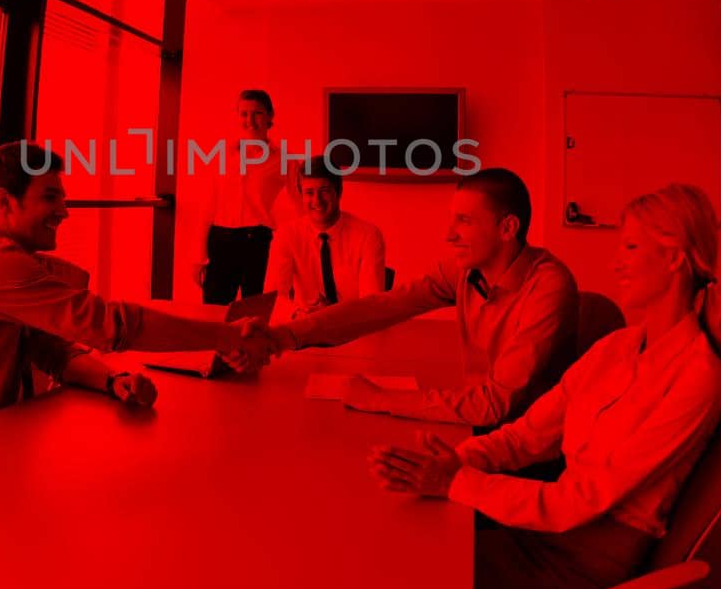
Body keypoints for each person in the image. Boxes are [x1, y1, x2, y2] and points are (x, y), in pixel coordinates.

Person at [369, 183, 721, 589]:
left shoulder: (698, 378)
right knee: (390, 562)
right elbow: (527, 435)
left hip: (576, 576)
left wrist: (456, 482)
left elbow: (578, 503)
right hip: (535, 531)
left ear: (674, 259)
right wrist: (459, 459)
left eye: (630, 246)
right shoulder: (617, 347)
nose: (615, 263)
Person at [0, 141, 274, 443]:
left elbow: (53, 350)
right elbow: (111, 325)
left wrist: (111, 381)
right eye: (50, 197)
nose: (65, 211)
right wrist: (224, 335)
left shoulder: (11, 261)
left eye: (63, 197)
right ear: (4, 201)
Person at [268, 167, 578, 427]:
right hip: (477, 426)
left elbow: (493, 405)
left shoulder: (549, 286)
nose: (449, 235)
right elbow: (382, 307)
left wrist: (378, 398)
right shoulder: (466, 271)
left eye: (464, 222)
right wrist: (283, 337)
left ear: (508, 228)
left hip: (524, 447)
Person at [190, 89, 288, 305]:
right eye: (244, 114)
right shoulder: (221, 154)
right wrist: (199, 257)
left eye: (257, 113)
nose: (250, 120)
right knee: (214, 315)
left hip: (258, 244)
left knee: (253, 315)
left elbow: (301, 208)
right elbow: (207, 206)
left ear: (270, 116)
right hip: (221, 241)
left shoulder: (284, 161)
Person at [267, 158, 387, 317]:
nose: (317, 200)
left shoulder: (368, 236)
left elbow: (371, 303)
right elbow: (273, 298)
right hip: (306, 325)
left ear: (339, 192)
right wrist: (299, 312)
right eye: (309, 193)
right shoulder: (286, 234)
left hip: (354, 328)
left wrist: (331, 314)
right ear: (301, 195)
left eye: (324, 191)